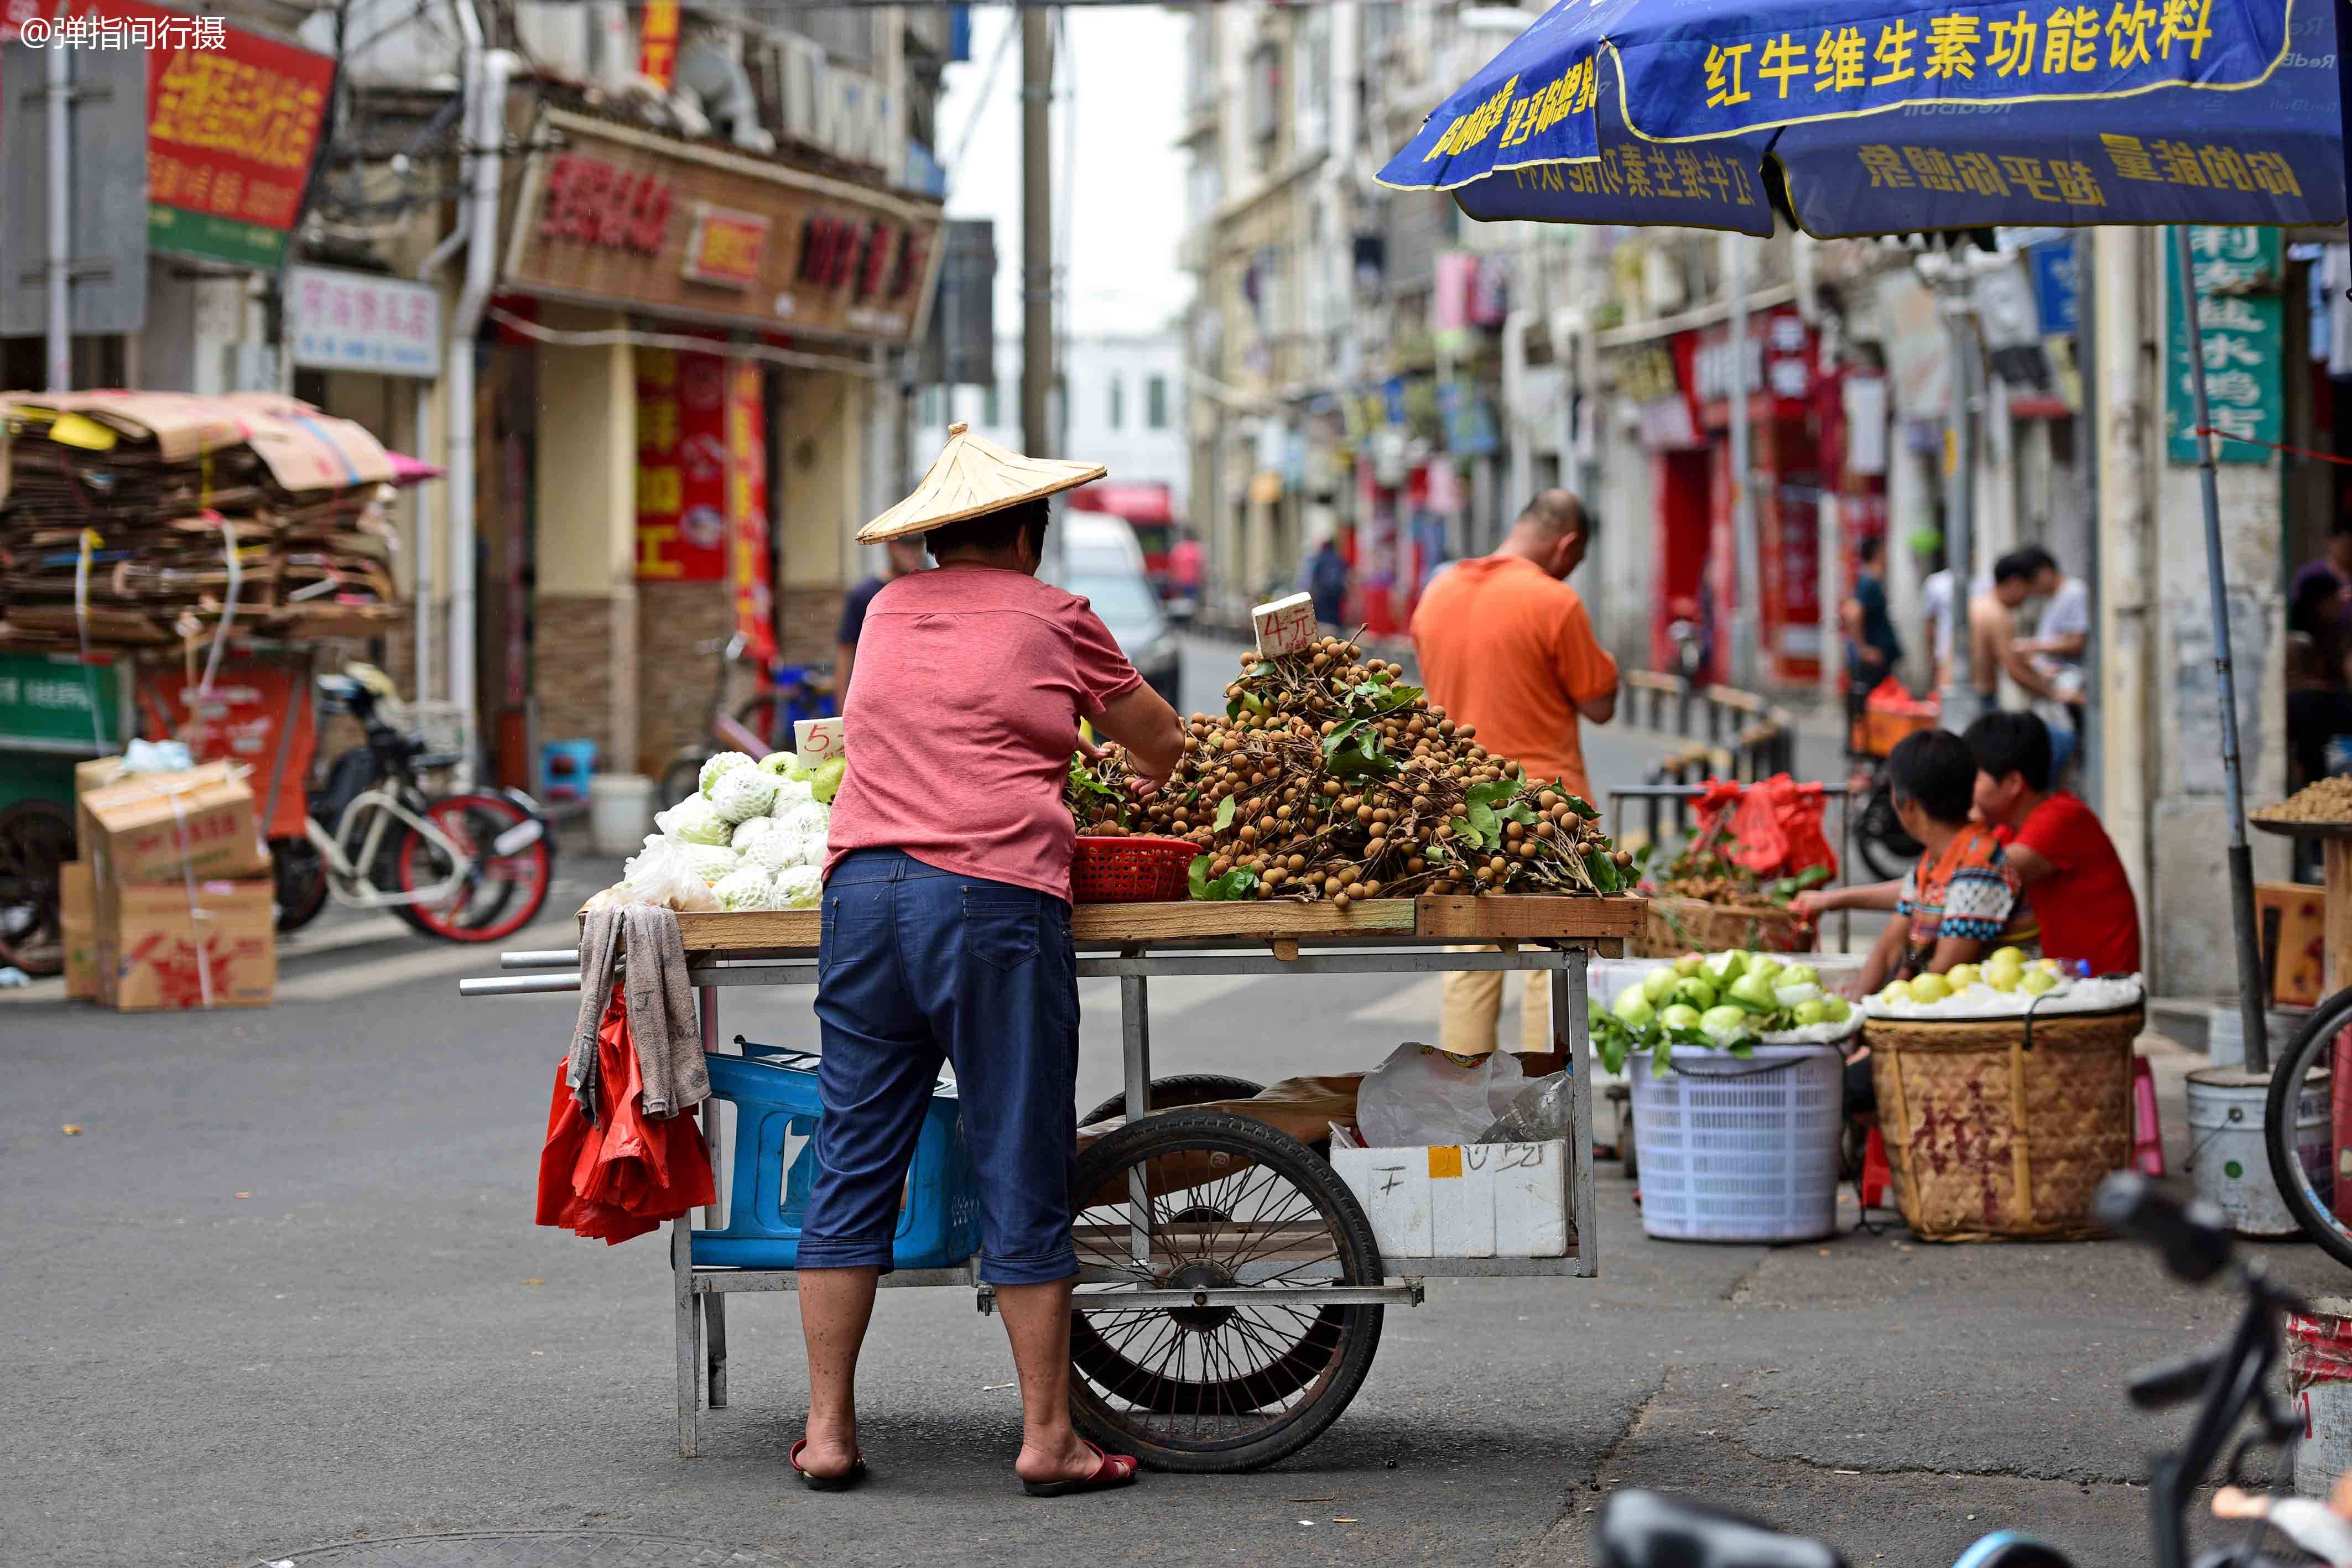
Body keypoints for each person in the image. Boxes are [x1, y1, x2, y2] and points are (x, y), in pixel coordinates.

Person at [797, 421, 1186, 1496]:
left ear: (931, 543)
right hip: (989, 903)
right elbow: (1158, 744)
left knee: (851, 1162)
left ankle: (827, 1430)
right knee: (1019, 1156)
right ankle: (1047, 1438)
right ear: (1028, 535)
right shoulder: (1055, 615)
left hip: (863, 898)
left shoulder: (882, 612)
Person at [1410, 489, 1620, 1056]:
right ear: (1568, 544)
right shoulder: (1555, 602)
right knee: (1547, 968)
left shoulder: (1437, 594)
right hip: (1546, 812)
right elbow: (1600, 704)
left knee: (1470, 970)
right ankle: (1545, 1119)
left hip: (1458, 807)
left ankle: (1465, 1115)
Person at [1854, 728, 2039, 997]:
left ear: (1907, 805)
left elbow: (1944, 971)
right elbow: (1888, 950)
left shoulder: (1980, 866)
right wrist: (1853, 1011)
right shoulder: (1932, 862)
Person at [1964, 711, 2141, 976]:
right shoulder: (2008, 831)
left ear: (2013, 783)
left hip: (2099, 989)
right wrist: (1877, 896)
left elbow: (1972, 881)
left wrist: (1962, 825)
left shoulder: (2062, 818)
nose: (1966, 789)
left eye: (1974, 779)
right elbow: (1944, 877)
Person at [833, 535, 930, 701]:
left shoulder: (929, 591)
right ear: (890, 547)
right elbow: (846, 652)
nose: (912, 553)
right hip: (876, 695)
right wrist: (842, 707)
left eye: (917, 546)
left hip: (920, 695)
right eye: (906, 546)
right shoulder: (864, 595)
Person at [1843, 533, 1903, 695]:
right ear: (1878, 552)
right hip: (1872, 661)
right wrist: (1864, 650)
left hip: (1880, 658)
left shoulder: (1873, 582)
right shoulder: (1868, 582)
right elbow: (1853, 613)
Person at [1306, 533, 1350, 630]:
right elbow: (1347, 575)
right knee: (1335, 620)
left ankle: (1328, 640)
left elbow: (1313, 578)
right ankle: (1336, 640)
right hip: (1337, 595)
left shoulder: (1319, 559)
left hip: (1323, 597)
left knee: (1325, 623)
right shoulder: (1338, 558)